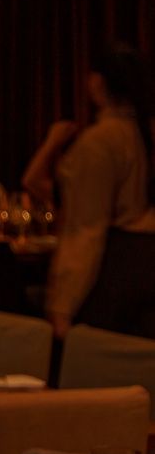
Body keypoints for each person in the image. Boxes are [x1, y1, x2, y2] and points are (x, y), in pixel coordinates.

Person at [24, 43, 155, 337]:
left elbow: (86, 230)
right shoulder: (141, 133)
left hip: (114, 276)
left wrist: (62, 306)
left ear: (97, 82)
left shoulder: (101, 142)